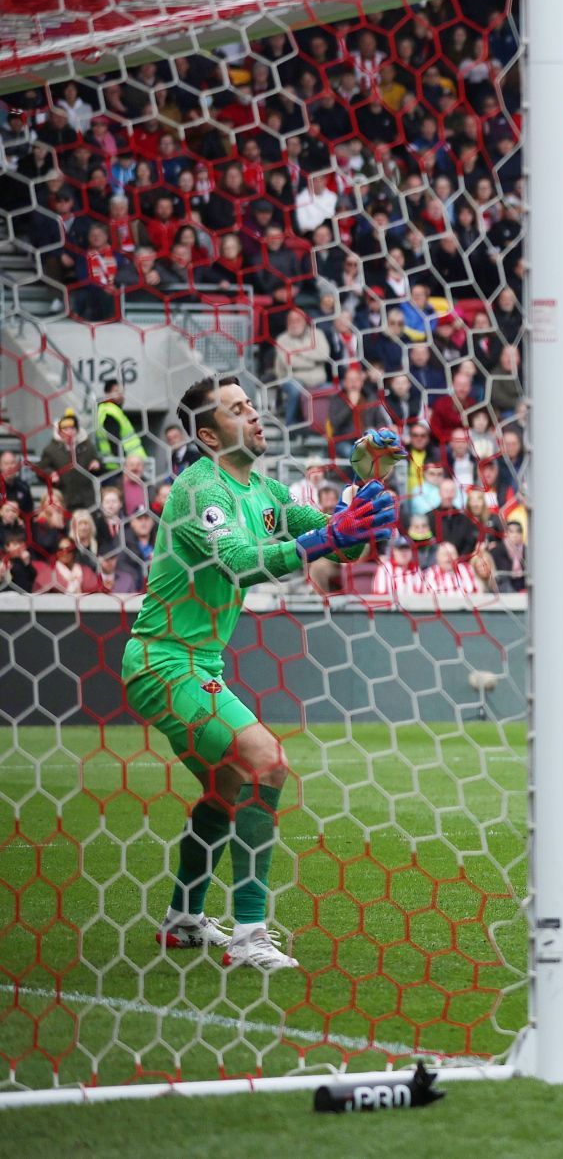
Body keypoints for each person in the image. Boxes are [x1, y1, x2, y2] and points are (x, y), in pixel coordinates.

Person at [123, 376, 399, 969]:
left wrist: (368, 490)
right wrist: (331, 533)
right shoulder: (199, 491)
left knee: (225, 790)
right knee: (266, 762)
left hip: (198, 662)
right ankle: (250, 936)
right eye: (236, 410)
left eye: (251, 405)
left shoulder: (265, 491)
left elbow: (341, 545)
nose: (254, 415)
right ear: (206, 434)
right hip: (162, 660)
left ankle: (183, 920)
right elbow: (244, 564)